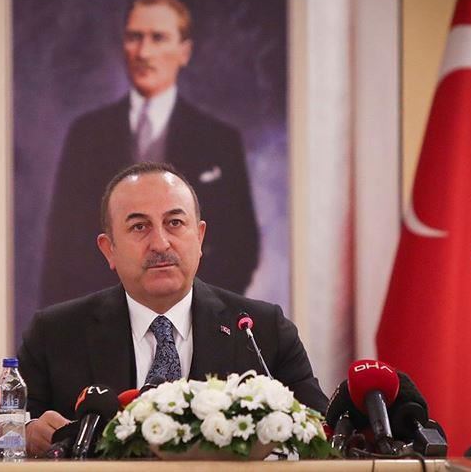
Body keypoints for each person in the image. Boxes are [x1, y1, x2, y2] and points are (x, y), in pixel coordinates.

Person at [21, 162, 326, 457]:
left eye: (175, 223)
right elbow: (2, 433)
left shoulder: (262, 330)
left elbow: (324, 434)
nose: (160, 243)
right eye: (139, 226)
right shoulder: (55, 335)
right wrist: (27, 433)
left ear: (200, 237)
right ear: (109, 249)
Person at [39, 0, 260, 309]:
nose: (143, 52)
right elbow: (62, 249)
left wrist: (185, 310)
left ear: (184, 51)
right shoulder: (86, 134)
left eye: (158, 38)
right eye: (134, 37)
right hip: (101, 321)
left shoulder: (220, 141)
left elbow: (241, 250)